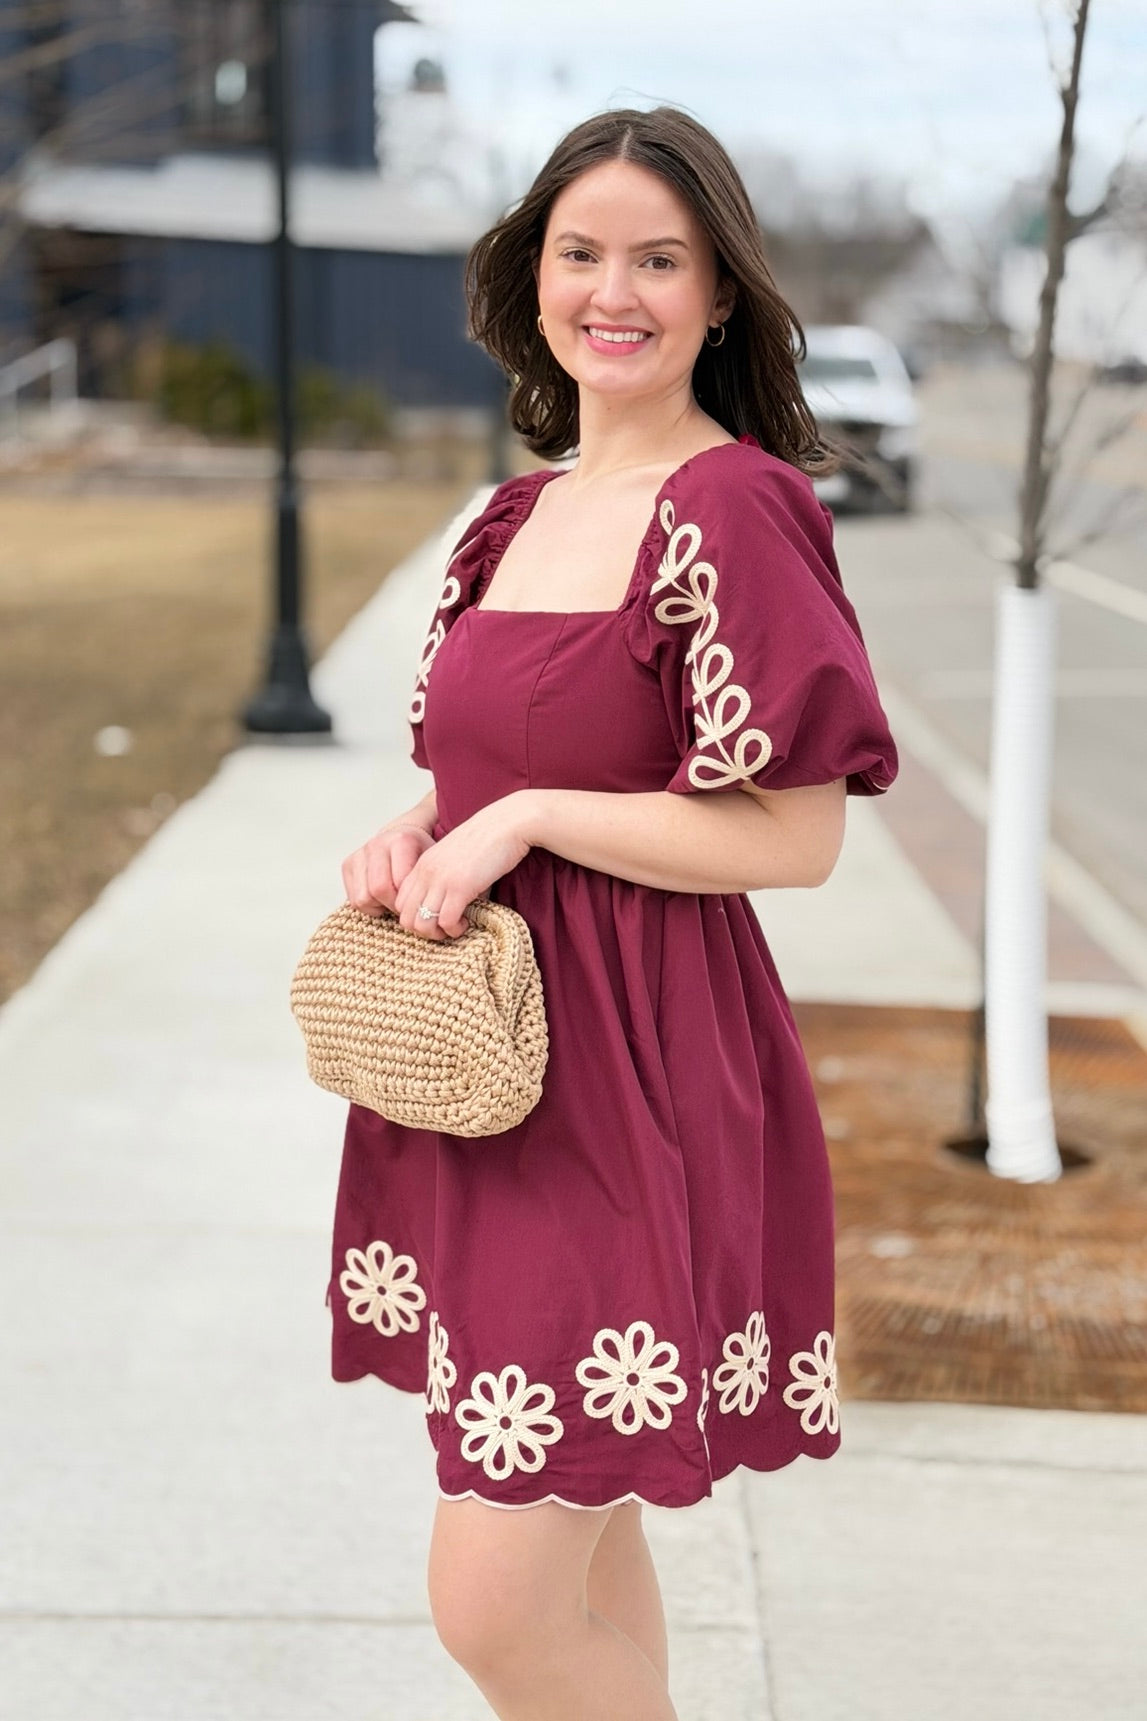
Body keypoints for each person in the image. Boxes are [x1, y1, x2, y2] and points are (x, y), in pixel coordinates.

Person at [329, 105, 898, 1721]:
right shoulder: (517, 515)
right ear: (533, 279)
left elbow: (794, 839)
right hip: (492, 1074)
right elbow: (505, 755)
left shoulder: (738, 508)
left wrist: (521, 817)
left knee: (495, 1602)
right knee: (582, 1551)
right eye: (583, 253)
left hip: (643, 1089)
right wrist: (427, 819)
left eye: (661, 258)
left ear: (722, 294)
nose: (616, 290)